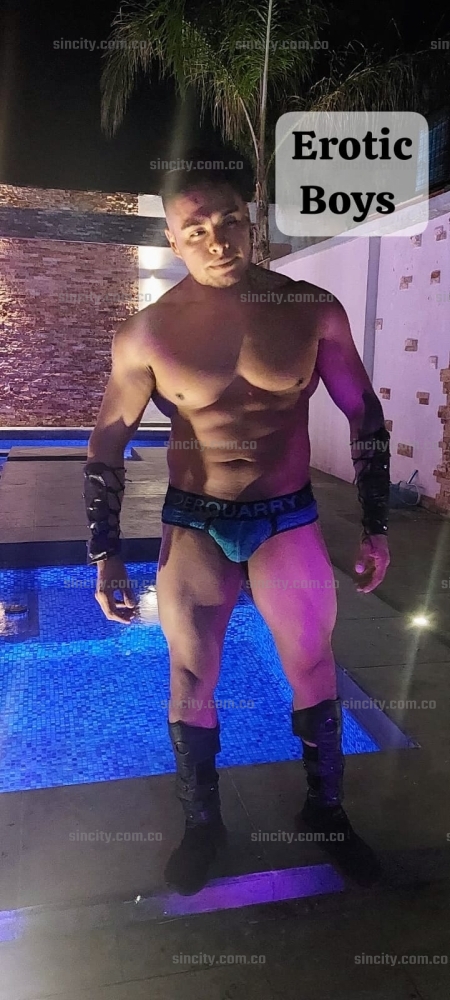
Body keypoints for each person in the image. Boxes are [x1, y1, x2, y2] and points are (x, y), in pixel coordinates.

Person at [83, 160, 390, 896]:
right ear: (172, 239)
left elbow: (364, 412)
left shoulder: (312, 309)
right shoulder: (148, 333)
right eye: (195, 230)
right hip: (196, 519)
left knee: (313, 665)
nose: (217, 241)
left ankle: (325, 811)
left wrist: (375, 525)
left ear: (250, 220)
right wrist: (104, 553)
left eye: (228, 222)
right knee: (191, 675)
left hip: (287, 517)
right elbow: (107, 441)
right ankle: (203, 824)